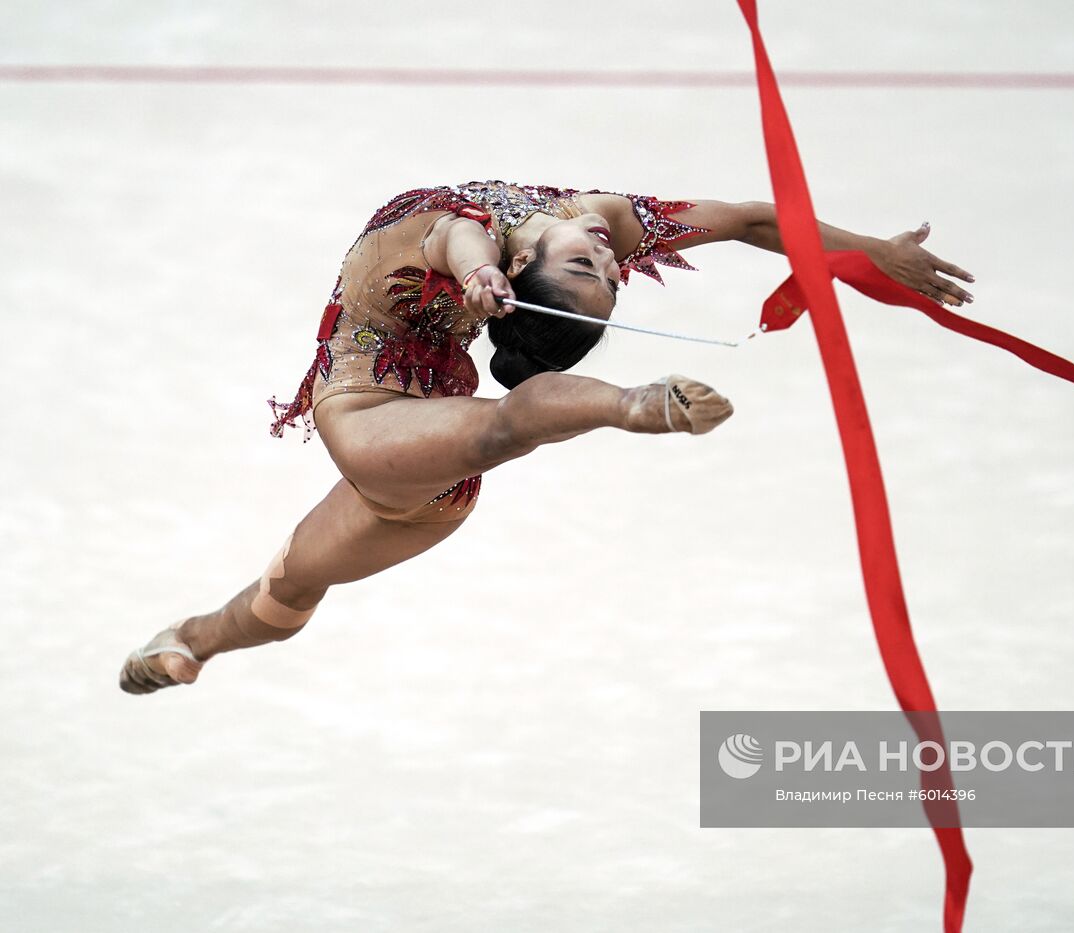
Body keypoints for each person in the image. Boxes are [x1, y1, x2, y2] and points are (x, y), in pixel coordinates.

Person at [119, 179, 975, 694]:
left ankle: (193, 635)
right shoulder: (519, 232)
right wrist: (871, 251)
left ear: (522, 276)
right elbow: (454, 233)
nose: (610, 260)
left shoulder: (510, 244)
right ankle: (191, 640)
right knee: (292, 594)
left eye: (594, 270)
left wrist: (866, 259)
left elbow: (756, 223)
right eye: (604, 274)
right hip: (380, 430)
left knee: (305, 578)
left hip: (424, 457)